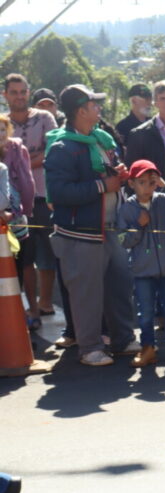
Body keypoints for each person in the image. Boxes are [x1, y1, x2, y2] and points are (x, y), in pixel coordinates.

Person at [44, 84, 140, 366]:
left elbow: (110, 174)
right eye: (94, 105)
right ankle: (89, 348)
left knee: (120, 285)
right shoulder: (62, 146)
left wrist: (119, 175)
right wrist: (102, 185)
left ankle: (122, 339)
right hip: (81, 233)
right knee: (87, 292)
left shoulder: (101, 138)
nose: (99, 108)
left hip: (112, 227)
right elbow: (59, 193)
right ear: (80, 110)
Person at [118, 159, 165, 367]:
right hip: (143, 271)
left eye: (151, 182)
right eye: (141, 182)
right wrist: (138, 225)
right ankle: (147, 348)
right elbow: (123, 240)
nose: (147, 187)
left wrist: (163, 184)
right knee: (145, 314)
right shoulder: (127, 209)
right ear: (132, 183)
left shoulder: (163, 200)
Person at [4, 74, 58, 327]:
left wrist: (23, 160)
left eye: (23, 91)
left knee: (48, 254)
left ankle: (46, 304)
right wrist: (32, 157)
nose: (19, 96)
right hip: (11, 204)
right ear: (5, 95)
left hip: (45, 196)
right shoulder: (3, 122)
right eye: (14, 92)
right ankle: (30, 308)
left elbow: (53, 151)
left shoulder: (45, 118)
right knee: (24, 257)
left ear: (29, 92)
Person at [0, 113, 36, 292]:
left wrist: (23, 211)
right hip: (13, 216)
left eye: (2, 129)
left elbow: (26, 183)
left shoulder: (16, 148)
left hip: (14, 219)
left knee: (17, 265)